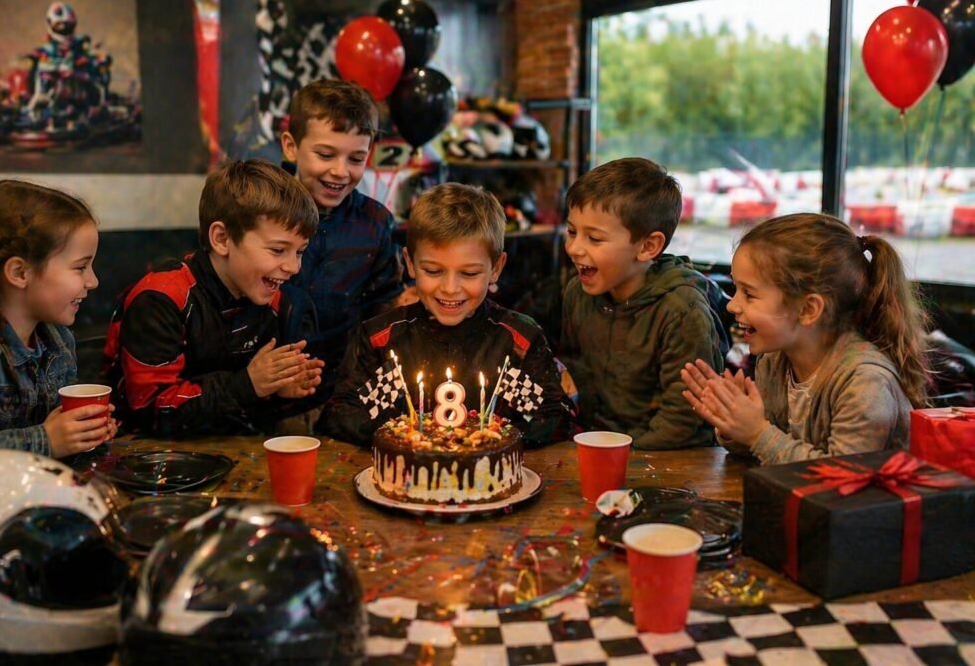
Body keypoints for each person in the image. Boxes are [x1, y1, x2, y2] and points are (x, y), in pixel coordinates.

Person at [319, 182, 574, 447]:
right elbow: (340, 414)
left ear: (496, 268)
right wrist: (403, 439)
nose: (450, 289)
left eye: (469, 273)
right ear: (409, 263)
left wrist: (491, 442)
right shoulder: (379, 339)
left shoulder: (519, 342)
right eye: (433, 271)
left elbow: (556, 416)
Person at [682, 213, 926, 465]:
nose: (732, 306)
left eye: (749, 294)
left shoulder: (865, 382)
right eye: (736, 290)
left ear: (809, 309)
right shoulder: (773, 360)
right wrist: (734, 423)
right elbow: (772, 453)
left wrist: (757, 433)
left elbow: (843, 478)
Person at [102, 159, 324, 436]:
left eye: (300, 251)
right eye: (278, 250)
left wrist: (278, 391)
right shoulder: (160, 300)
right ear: (221, 239)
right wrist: (249, 385)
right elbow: (149, 411)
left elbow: (248, 412)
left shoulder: (278, 302)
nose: (293, 267)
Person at [560, 157, 728, 449]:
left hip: (673, 455)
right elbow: (578, 374)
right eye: (573, 231)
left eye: (595, 239)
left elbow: (683, 417)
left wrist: (623, 454)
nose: (574, 248)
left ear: (648, 246)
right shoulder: (577, 293)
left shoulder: (682, 311)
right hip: (601, 445)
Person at [0, 180, 116, 458]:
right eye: (80, 267)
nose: (93, 281)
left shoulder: (59, 338)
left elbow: (58, 432)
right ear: (19, 272)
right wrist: (46, 440)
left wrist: (81, 434)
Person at [278, 78, 404, 421]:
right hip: (260, 398)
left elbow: (381, 313)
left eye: (356, 158)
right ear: (291, 146)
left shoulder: (376, 223)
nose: (340, 171)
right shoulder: (259, 210)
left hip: (341, 396)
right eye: (325, 154)